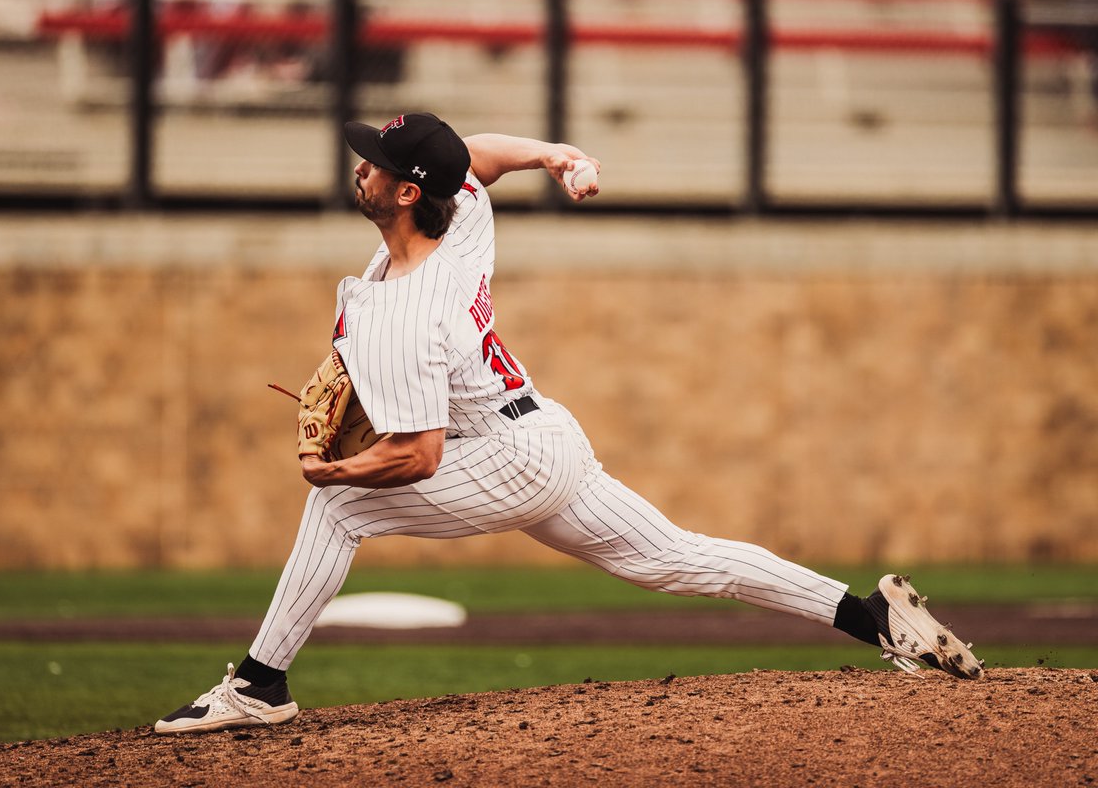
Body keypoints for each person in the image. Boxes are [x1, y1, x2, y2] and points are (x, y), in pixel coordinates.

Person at [154, 113, 984, 735]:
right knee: (677, 556)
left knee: (338, 510)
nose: (361, 167)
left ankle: (261, 686)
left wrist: (332, 473)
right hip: (545, 434)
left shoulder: (407, 314)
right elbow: (475, 155)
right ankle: (873, 617)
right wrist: (556, 155)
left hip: (506, 457)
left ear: (408, 193)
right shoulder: (461, 218)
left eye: (374, 163)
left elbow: (417, 455)